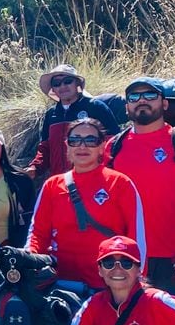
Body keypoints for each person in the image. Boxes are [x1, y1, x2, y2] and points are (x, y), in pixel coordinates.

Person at [104, 77, 175, 298]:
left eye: (150, 95)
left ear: (164, 104)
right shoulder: (113, 147)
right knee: (127, 324)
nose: (142, 101)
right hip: (126, 255)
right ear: (127, 107)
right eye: (134, 97)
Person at [26, 114, 145, 293]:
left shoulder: (120, 183)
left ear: (102, 147)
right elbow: (38, 234)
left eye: (90, 140)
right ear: (67, 146)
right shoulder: (52, 185)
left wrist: (135, 283)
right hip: (60, 286)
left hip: (107, 288)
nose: (82, 146)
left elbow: (137, 239)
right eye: (75, 140)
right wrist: (30, 263)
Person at [28, 63, 119, 182]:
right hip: (61, 182)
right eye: (57, 83)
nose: (62, 86)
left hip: (94, 180)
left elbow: (113, 143)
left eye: (67, 81)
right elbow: (45, 148)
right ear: (53, 89)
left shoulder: (95, 107)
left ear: (77, 84)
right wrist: (35, 167)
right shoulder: (51, 114)